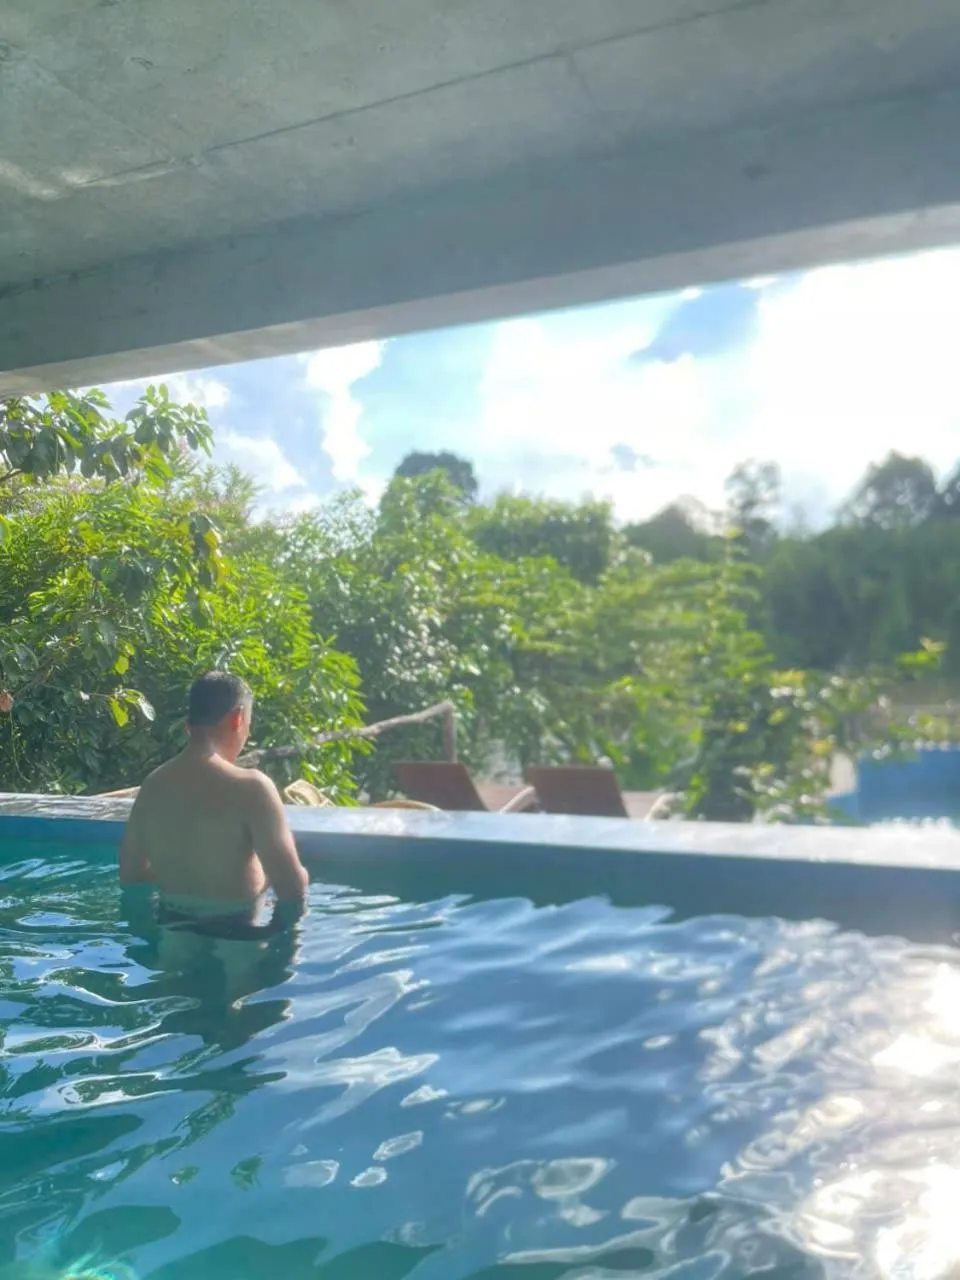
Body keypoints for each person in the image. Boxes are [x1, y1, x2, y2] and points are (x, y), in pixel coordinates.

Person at [119, 671, 308, 936]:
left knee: (173, 975)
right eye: (248, 724)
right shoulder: (252, 788)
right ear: (237, 717)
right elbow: (291, 888)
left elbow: (131, 875)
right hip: (239, 932)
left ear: (189, 724)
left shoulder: (153, 785)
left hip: (174, 928)